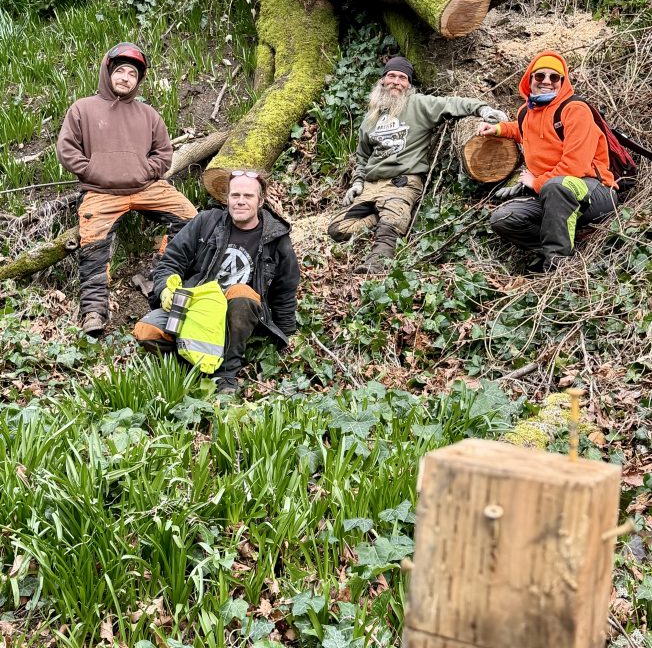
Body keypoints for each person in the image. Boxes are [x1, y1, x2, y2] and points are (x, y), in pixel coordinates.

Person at [56, 42, 197, 335]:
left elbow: (164, 154)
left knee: (190, 218)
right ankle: (94, 312)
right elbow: (67, 150)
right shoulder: (83, 108)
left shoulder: (148, 114)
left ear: (138, 80)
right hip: (100, 192)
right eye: (120, 71)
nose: (125, 78)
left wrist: (145, 171)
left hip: (146, 187)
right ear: (108, 72)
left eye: (132, 74)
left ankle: (160, 274)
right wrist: (93, 171)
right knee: (93, 244)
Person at [327, 56, 508, 273]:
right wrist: (357, 182)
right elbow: (363, 156)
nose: (396, 82)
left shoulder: (419, 104)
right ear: (382, 80)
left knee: (391, 225)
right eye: (391, 76)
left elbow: (453, 103)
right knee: (337, 229)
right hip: (371, 186)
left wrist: (483, 110)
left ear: (408, 84)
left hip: (402, 182)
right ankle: (378, 215)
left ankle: (376, 264)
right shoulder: (371, 117)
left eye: (402, 78)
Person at [133, 170, 300, 394]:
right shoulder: (206, 222)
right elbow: (170, 262)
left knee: (242, 292)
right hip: (197, 308)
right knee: (147, 330)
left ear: (260, 201)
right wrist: (165, 290)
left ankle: (226, 375)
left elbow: (285, 291)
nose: (240, 201)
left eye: (248, 196)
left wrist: (287, 335)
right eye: (235, 195)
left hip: (240, 315)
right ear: (227, 198)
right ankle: (191, 364)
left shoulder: (277, 239)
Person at [477, 50, 618, 271]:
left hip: (594, 192)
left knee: (556, 185)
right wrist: (497, 129)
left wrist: (536, 183)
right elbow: (523, 130)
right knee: (503, 219)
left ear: (563, 81)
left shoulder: (575, 110)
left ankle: (559, 266)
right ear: (530, 79)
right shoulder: (526, 112)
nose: (546, 81)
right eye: (540, 76)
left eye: (554, 77)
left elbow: (575, 166)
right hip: (552, 196)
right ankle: (566, 241)